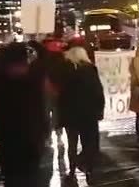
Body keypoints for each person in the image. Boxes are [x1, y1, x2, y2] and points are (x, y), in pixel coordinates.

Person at [0, 43, 47, 186]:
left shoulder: (27, 83)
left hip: (24, 146)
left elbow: (39, 111)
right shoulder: (10, 85)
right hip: (18, 146)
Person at [59, 46, 104, 182]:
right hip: (88, 113)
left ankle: (71, 171)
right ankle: (89, 169)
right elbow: (98, 91)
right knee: (88, 142)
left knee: (72, 143)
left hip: (70, 114)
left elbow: (62, 95)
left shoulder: (65, 71)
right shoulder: (90, 70)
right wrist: (100, 109)